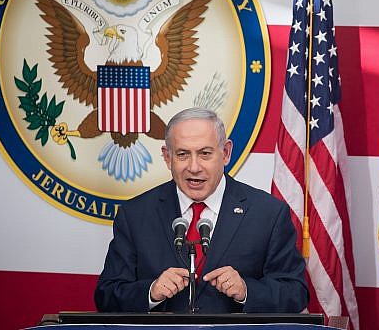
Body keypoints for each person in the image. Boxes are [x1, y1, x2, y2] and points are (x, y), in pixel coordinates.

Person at [94, 107, 308, 313]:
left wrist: (246, 291)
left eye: (205, 153)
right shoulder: (135, 214)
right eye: (182, 154)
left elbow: (295, 293)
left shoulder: (268, 214)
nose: (194, 167)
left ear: (225, 153)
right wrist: (151, 292)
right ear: (167, 157)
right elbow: (107, 295)